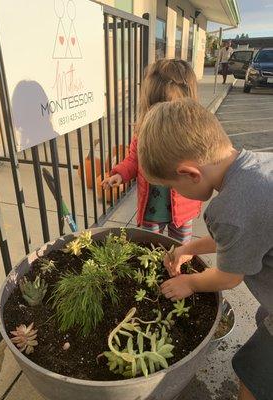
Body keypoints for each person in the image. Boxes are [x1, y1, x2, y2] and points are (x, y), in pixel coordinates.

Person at [137, 98, 273, 400]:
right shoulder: (258, 166)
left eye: (172, 187)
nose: (174, 193)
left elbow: (228, 278)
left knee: (253, 372)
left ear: (190, 173)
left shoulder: (229, 207)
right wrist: (191, 247)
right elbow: (245, 235)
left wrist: (190, 282)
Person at [102, 59, 201, 243]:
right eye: (157, 108)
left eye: (171, 108)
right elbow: (133, 160)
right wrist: (120, 174)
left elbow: (206, 163)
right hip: (152, 208)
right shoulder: (143, 134)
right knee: (149, 245)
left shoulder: (193, 136)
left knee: (180, 247)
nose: (163, 115)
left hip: (183, 207)